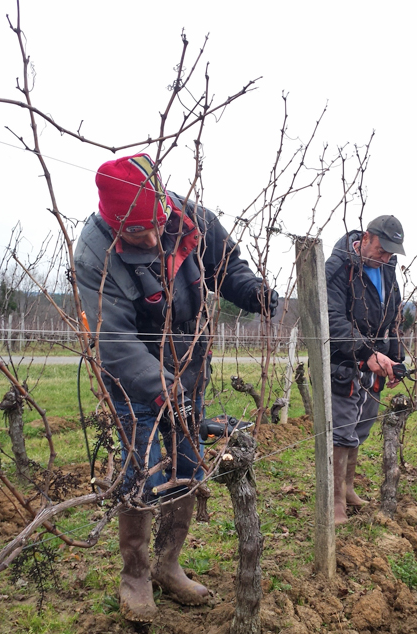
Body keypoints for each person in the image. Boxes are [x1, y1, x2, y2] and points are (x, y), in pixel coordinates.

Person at [74, 153, 275, 623]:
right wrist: (161, 387)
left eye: (152, 226)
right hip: (132, 375)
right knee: (139, 472)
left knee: (187, 461)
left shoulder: (190, 218)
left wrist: (252, 292)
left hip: (188, 359)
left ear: (163, 203)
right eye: (134, 233)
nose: (147, 238)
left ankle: (167, 564)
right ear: (112, 219)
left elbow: (227, 266)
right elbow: (115, 342)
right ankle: (136, 575)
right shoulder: (94, 251)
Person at [325, 215, 405, 524]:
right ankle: (333, 504)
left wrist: (394, 358)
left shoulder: (387, 270)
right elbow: (331, 318)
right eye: (382, 249)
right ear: (367, 237)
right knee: (341, 427)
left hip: (374, 360)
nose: (386, 257)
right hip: (343, 359)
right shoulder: (338, 267)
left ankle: (347, 488)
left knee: (362, 424)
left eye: (391, 252)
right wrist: (364, 351)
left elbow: (393, 316)